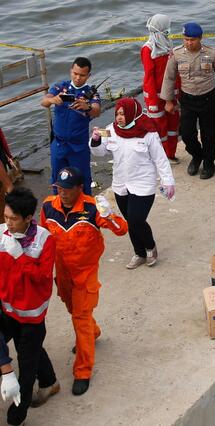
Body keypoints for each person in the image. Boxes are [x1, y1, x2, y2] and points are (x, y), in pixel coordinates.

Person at [40, 167, 127, 396]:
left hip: (85, 274)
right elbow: (42, 237)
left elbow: (121, 230)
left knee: (80, 317)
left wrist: (109, 215)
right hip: (63, 274)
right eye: (60, 188)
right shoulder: (48, 206)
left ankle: (83, 371)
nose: (63, 193)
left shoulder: (91, 209)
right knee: (74, 310)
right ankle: (93, 331)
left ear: (80, 188)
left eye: (68, 189)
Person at [89, 98, 174, 270]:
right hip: (121, 184)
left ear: (132, 113)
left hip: (143, 184)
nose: (119, 118)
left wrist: (168, 181)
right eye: (117, 114)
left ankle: (150, 247)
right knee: (130, 221)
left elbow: (160, 159)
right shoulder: (111, 130)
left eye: (122, 114)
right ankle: (139, 253)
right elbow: (99, 152)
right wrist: (96, 139)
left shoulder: (148, 132)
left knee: (136, 219)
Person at [0, 187, 58, 424]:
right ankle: (49, 381)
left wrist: (20, 257)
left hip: (32, 318)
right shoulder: (1, 235)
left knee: (26, 372)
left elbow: (43, 277)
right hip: (6, 310)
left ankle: (16, 419)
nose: (8, 223)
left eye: (13, 219)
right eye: (5, 217)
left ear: (27, 218)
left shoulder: (44, 240)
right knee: (29, 352)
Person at [160, 23, 215, 180]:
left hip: (207, 98)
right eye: (186, 39)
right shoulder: (177, 55)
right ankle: (197, 155)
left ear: (200, 38)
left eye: (192, 39)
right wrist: (168, 100)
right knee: (186, 133)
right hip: (187, 99)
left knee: (209, 132)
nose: (189, 42)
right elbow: (169, 77)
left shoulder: (211, 53)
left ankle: (209, 162)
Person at [40, 57, 101, 195]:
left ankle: (85, 209)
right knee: (57, 178)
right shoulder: (60, 87)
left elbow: (97, 110)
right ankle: (57, 208)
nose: (78, 78)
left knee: (83, 179)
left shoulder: (92, 93)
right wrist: (52, 100)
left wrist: (87, 106)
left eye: (82, 75)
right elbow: (44, 102)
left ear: (88, 76)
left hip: (79, 146)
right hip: (59, 144)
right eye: (75, 73)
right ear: (71, 71)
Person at [140, 15, 180, 164]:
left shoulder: (168, 44)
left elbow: (175, 72)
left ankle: (171, 153)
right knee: (159, 128)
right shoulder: (148, 49)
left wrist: (179, 91)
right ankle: (161, 156)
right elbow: (149, 77)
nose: (169, 31)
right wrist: (152, 102)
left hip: (171, 93)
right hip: (155, 97)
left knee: (173, 124)